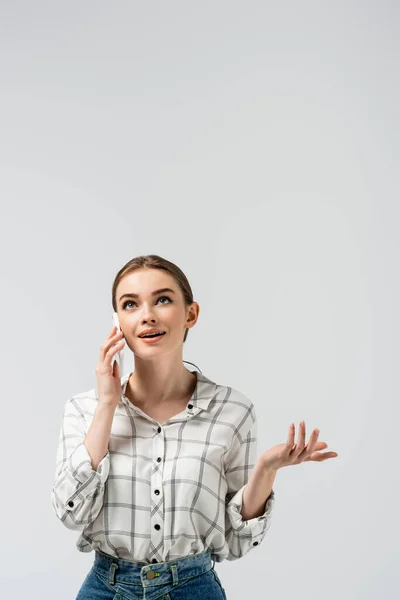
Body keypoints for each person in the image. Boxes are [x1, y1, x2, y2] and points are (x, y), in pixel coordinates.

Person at [51, 254, 276, 599]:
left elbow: (235, 541)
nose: (147, 315)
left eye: (163, 299)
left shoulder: (233, 411)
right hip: (106, 589)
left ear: (191, 314)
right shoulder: (85, 409)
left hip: (194, 588)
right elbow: (71, 513)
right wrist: (108, 404)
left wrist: (266, 471)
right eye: (130, 304)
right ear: (118, 322)